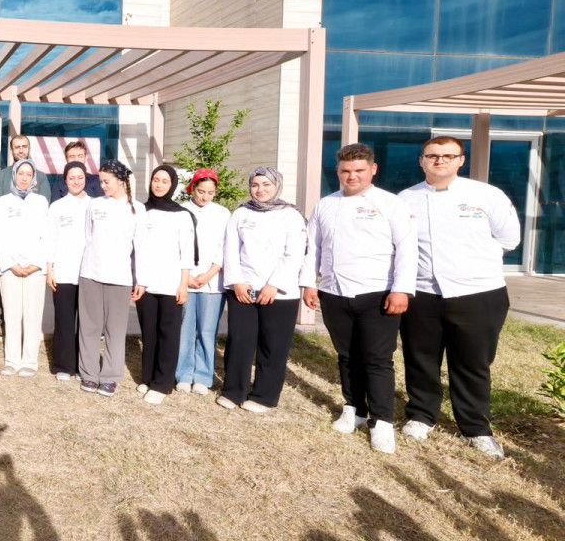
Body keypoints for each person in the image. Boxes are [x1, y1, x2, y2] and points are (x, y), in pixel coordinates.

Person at [396, 135, 521, 458]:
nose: (440, 161)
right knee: (420, 358)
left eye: (448, 156)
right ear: (422, 160)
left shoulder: (486, 195)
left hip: (478, 292)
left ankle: (476, 428)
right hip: (423, 293)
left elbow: (509, 238)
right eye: (432, 155)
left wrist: (472, 263)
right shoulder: (405, 199)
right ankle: (421, 415)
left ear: (461, 160)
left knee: (472, 362)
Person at [299, 143, 416, 454]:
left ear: (373, 170)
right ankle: (354, 409)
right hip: (334, 292)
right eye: (345, 171)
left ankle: (383, 421)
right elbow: (313, 247)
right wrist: (308, 284)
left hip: (378, 292)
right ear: (338, 171)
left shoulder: (391, 204)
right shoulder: (325, 205)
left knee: (377, 358)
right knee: (347, 355)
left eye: (359, 170)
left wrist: (402, 289)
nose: (352, 176)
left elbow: (407, 249)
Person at [216, 167, 307, 413]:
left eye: (266, 184)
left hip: (279, 292)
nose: (260, 190)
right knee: (240, 341)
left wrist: (274, 284)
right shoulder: (241, 213)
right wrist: (237, 281)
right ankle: (233, 391)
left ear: (277, 186)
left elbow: (294, 254)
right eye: (255, 185)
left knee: (273, 345)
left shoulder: (291, 215)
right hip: (244, 289)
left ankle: (264, 396)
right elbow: (230, 250)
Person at [77, 160, 145, 396]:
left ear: (121, 180)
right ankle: (89, 374)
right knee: (89, 327)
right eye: (101, 181)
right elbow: (87, 238)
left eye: (107, 181)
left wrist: (141, 280)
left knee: (115, 330)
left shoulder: (136, 209)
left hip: (120, 278)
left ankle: (110, 376)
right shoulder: (95, 205)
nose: (102, 186)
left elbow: (141, 247)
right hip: (91, 273)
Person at [134, 164, 196, 404]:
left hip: (172, 283)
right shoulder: (142, 211)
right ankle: (148, 377)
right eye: (155, 180)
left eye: (164, 181)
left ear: (172, 185)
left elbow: (187, 252)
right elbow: (137, 247)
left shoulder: (181, 215)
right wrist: (138, 280)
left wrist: (183, 284)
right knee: (149, 331)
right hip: (145, 283)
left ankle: (162, 383)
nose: (158, 185)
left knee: (168, 333)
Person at [176, 168, 231, 396]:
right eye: (200, 191)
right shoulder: (181, 210)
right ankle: (183, 374)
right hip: (185, 279)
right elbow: (176, 245)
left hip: (212, 281)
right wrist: (187, 276)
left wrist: (209, 274)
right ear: (192, 189)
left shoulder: (223, 213)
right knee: (185, 330)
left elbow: (225, 247)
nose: (205, 196)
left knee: (207, 331)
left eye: (210, 192)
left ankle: (203, 376)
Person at [0, 159, 49, 377]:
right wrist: (10, 263)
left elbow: (47, 235)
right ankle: (12, 360)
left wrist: (36, 263)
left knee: (33, 316)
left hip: (35, 269)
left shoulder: (41, 202)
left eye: (29, 174)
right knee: (12, 315)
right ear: (14, 175)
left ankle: (30, 361)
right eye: (21, 173)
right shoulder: (3, 202)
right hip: (10, 268)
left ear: (34, 178)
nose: (24, 178)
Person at [46, 162, 90, 381]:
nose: (76, 181)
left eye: (80, 177)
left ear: (86, 179)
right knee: (64, 319)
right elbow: (50, 239)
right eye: (71, 178)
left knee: (87, 322)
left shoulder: (95, 205)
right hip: (63, 272)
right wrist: (50, 268)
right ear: (65, 181)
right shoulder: (57, 207)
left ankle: (84, 365)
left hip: (89, 272)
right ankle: (64, 365)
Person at [0, 134, 50, 199]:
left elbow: (44, 203)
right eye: (17, 147)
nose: (21, 151)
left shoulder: (41, 177)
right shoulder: (1, 176)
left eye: (24, 147)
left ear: (29, 149)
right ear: (11, 150)